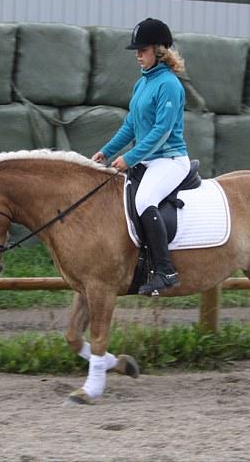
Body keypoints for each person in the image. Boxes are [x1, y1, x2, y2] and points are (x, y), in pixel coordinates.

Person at [92, 17, 190, 296]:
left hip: (170, 160)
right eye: (137, 50)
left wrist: (130, 157)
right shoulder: (142, 84)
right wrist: (107, 151)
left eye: (142, 50)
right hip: (148, 159)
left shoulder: (170, 85)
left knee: (145, 199)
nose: (138, 55)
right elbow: (131, 126)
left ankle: (165, 270)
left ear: (159, 51)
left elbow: (162, 131)